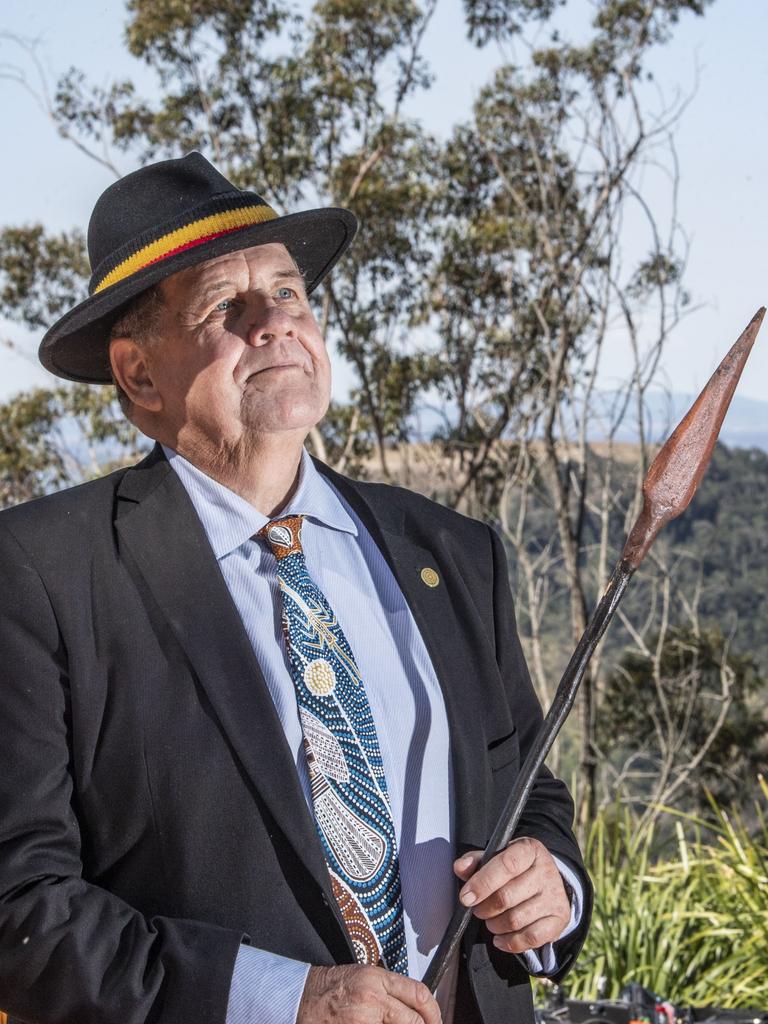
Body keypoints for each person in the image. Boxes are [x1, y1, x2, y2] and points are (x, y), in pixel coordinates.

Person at [0, 152, 592, 1024]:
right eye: (222, 307)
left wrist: (556, 889)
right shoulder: (40, 574)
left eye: (288, 294)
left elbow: (530, 796)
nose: (273, 322)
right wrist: (283, 1000)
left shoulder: (455, 554)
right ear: (137, 375)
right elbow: (22, 906)